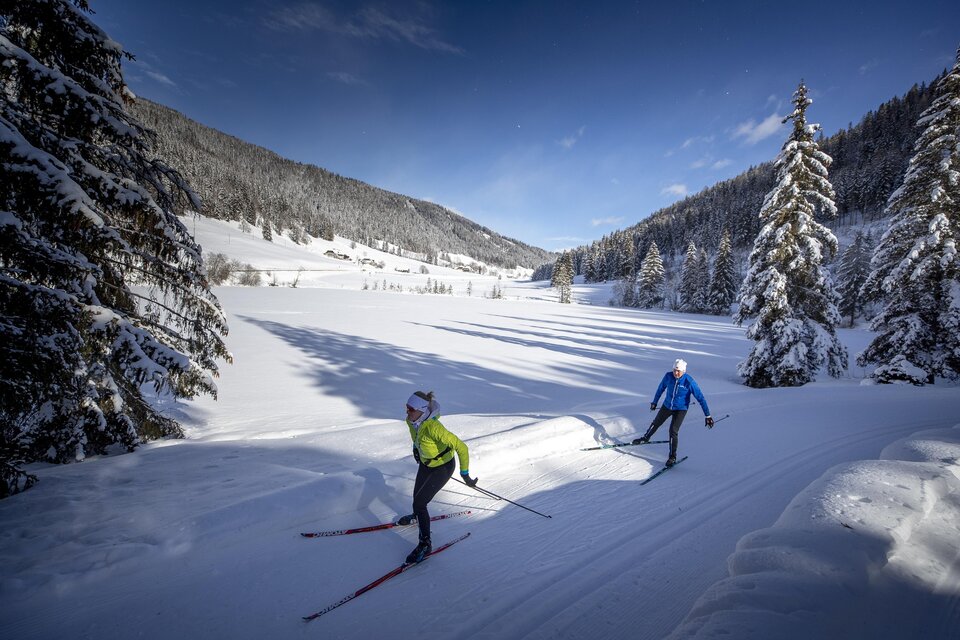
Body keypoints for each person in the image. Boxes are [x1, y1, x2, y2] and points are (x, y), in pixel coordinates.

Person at [399, 391, 476, 564]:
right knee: (416, 499)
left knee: (420, 503)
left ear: (423, 410)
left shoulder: (434, 427)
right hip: (426, 463)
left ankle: (425, 544)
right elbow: (415, 437)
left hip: (443, 466)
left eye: (411, 409)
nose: (407, 412)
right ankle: (418, 515)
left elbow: (461, 447)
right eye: (406, 408)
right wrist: (416, 450)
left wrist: (465, 475)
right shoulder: (411, 421)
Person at [633, 359, 713, 466]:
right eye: (674, 370)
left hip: (681, 409)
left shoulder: (689, 382)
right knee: (656, 422)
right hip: (667, 405)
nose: (675, 373)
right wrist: (654, 402)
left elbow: (701, 398)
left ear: (683, 371)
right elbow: (660, 388)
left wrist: (707, 415)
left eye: (678, 371)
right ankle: (645, 438)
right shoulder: (668, 376)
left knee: (673, 431)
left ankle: (672, 457)